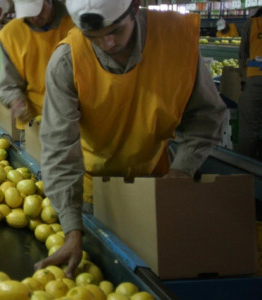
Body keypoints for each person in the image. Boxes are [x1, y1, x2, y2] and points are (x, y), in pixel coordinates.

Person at [34, 0, 226, 278]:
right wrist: (72, 229)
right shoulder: (67, 60)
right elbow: (58, 147)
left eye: (115, 30)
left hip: (156, 185)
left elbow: (206, 115)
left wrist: (183, 168)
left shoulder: (176, 39)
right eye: (94, 36)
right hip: (94, 193)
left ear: (135, 7)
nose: (108, 43)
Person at [0, 0, 75, 133]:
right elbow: (8, 85)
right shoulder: (10, 35)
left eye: (38, 10)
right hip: (36, 123)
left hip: (78, 120)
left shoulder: (75, 22)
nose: (35, 17)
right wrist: (16, 102)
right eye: (28, 13)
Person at [236, 8, 262, 158]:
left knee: (248, 128)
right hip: (253, 80)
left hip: (254, 80)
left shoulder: (251, 24)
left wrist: (244, 78)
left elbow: (243, 54)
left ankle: (244, 168)